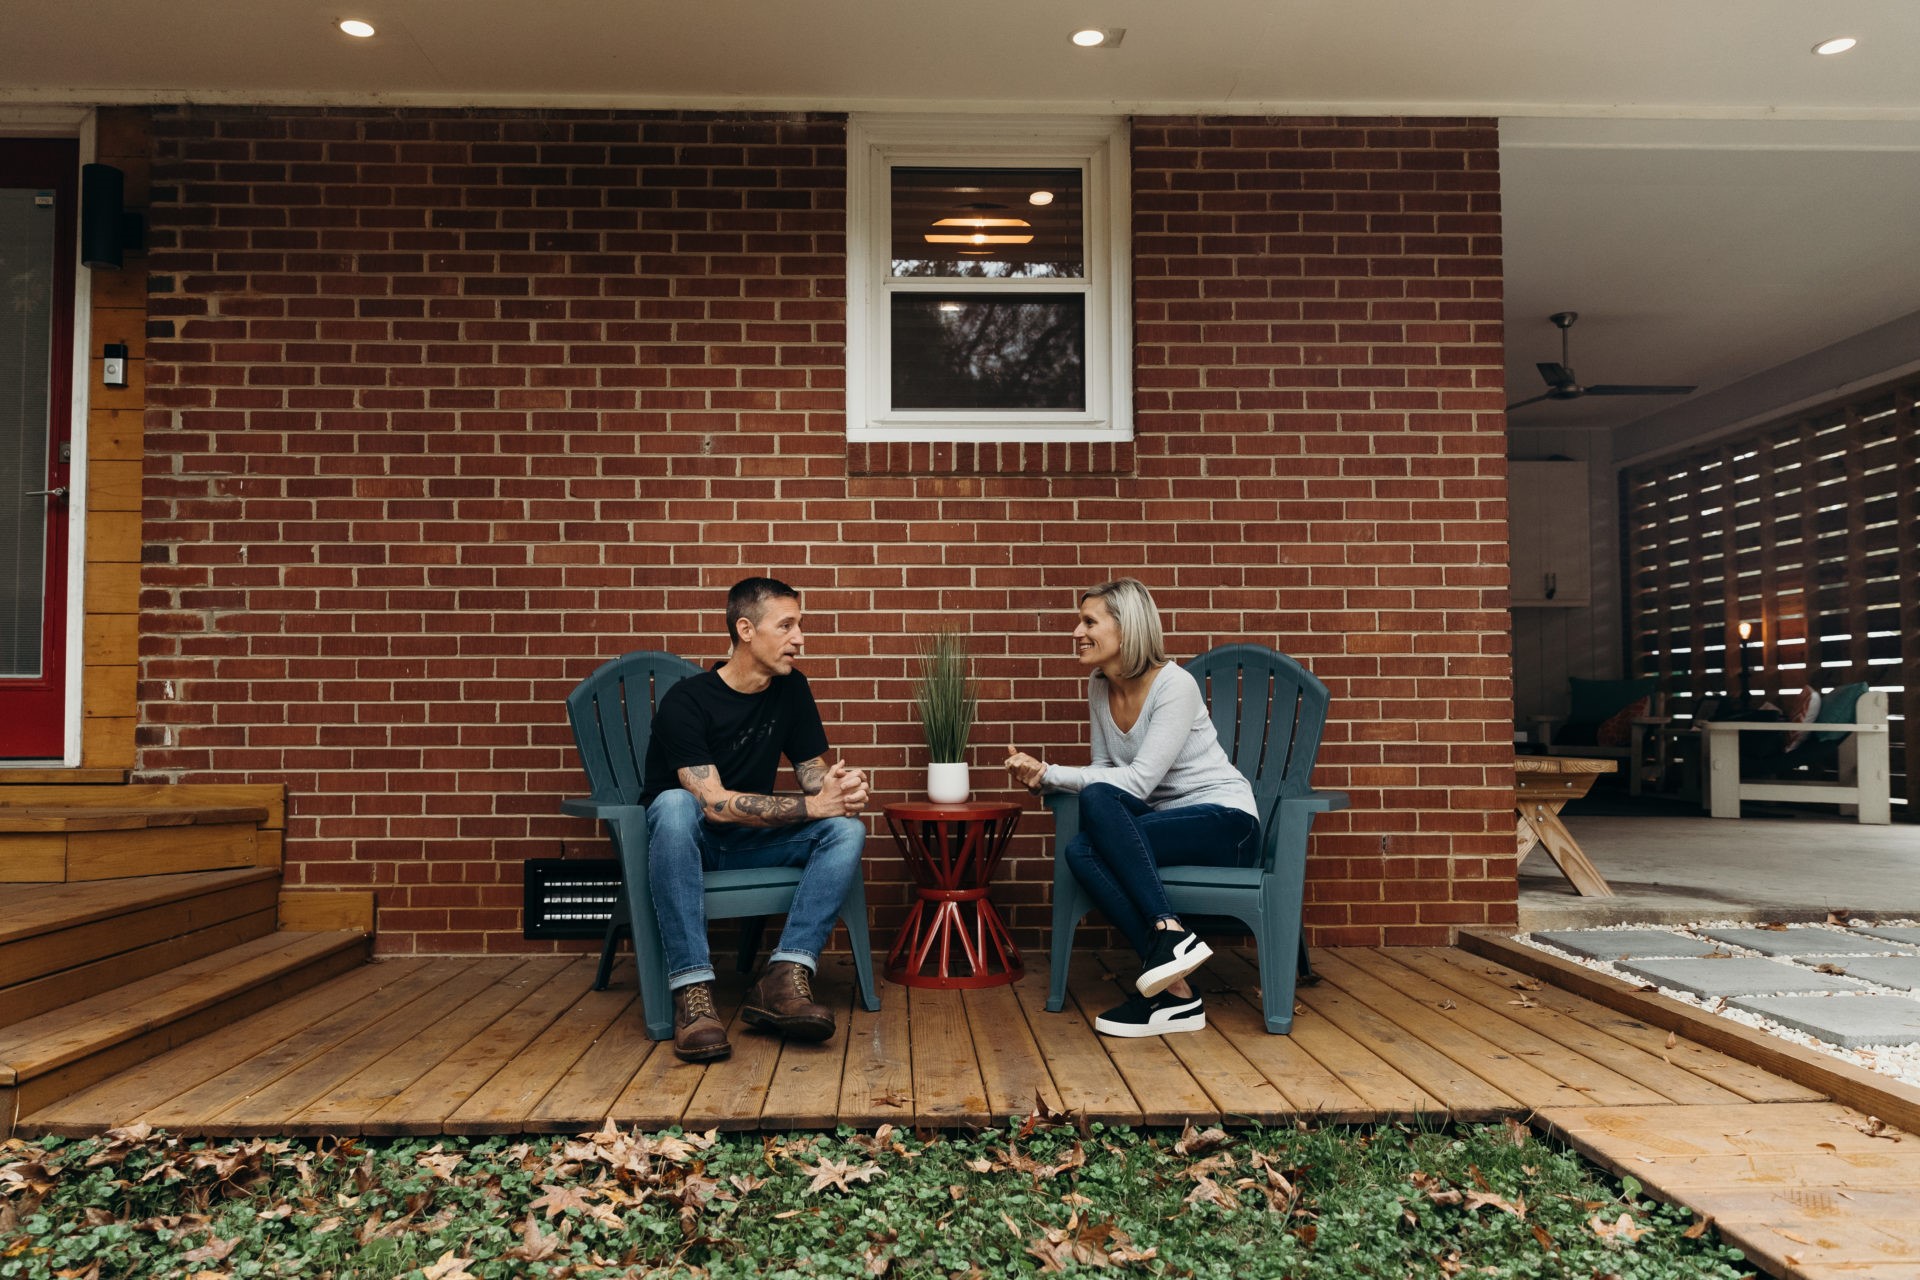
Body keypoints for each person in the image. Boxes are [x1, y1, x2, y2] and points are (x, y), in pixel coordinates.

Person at [1006, 578, 1260, 1038]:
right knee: (1080, 850)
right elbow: (1106, 770)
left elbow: (1138, 781)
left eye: (1089, 622)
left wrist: (1051, 773)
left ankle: (1169, 933)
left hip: (1225, 823)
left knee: (1098, 800)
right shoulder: (1099, 686)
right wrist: (1043, 782)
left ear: (1128, 629)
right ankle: (1176, 990)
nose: (1076, 633)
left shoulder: (1174, 685)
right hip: (1162, 825)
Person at [639, 577, 870, 1062]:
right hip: (688, 844)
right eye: (786, 625)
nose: (800, 638)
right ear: (745, 629)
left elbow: (811, 776)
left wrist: (837, 789)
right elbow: (712, 803)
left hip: (750, 842)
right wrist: (814, 805)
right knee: (675, 803)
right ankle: (693, 994)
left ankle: (784, 976)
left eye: (800, 625)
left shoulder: (791, 688)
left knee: (845, 829)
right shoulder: (686, 702)